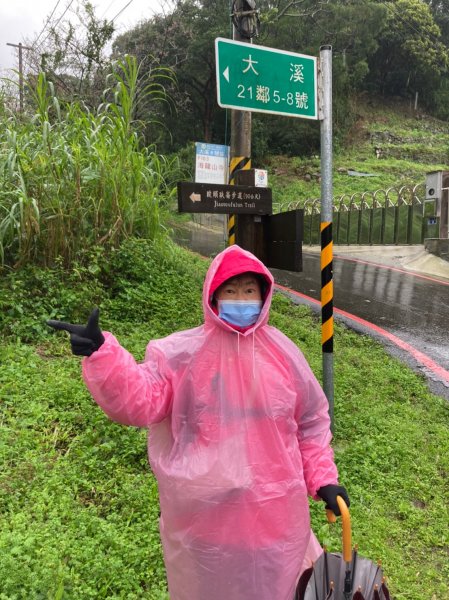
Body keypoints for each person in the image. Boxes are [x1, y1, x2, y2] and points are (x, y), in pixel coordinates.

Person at [47, 244, 349, 600]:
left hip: (275, 518)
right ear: (214, 296)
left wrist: (324, 480)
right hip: (207, 520)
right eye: (231, 291)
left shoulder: (284, 355)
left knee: (276, 587)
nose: (241, 299)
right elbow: (142, 400)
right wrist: (103, 355)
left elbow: (311, 422)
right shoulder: (181, 354)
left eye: (249, 290)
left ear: (264, 294)